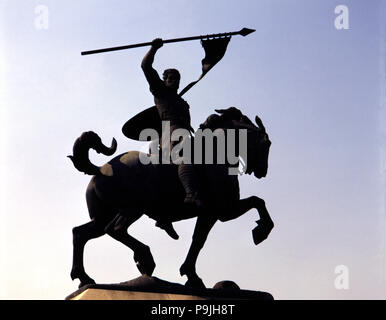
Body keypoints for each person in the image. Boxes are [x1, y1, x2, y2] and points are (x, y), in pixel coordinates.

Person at [141, 38, 204, 239]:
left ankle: (167, 216)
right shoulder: (160, 92)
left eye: (177, 78)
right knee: (185, 156)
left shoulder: (182, 102)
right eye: (170, 77)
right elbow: (145, 66)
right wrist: (154, 48)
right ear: (164, 79)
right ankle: (190, 194)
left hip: (186, 133)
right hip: (171, 134)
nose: (174, 80)